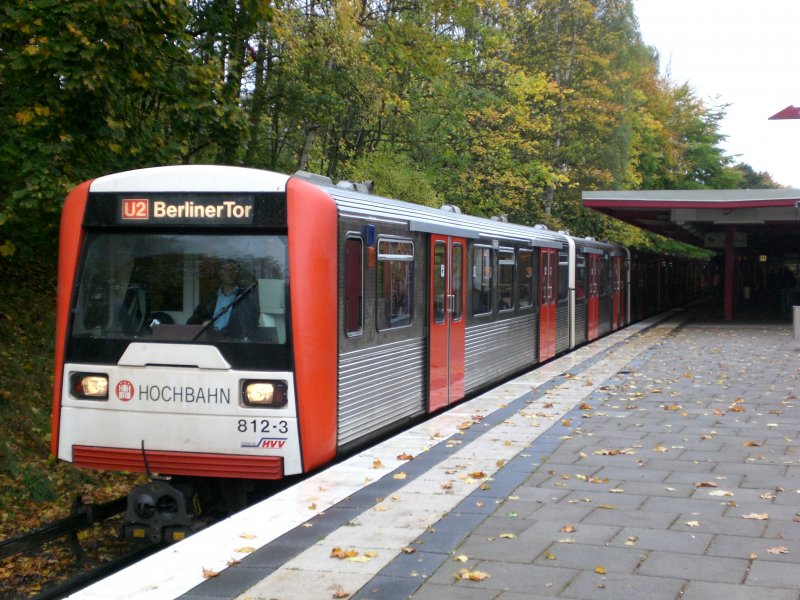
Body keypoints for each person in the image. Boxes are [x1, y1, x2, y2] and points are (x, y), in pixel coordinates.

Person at [187, 259, 258, 338]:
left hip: (233, 343)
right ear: (220, 273)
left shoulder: (246, 296)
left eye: (234, 270)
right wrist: (202, 323)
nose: (231, 273)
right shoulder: (210, 298)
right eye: (227, 270)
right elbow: (192, 322)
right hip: (210, 341)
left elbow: (250, 325)